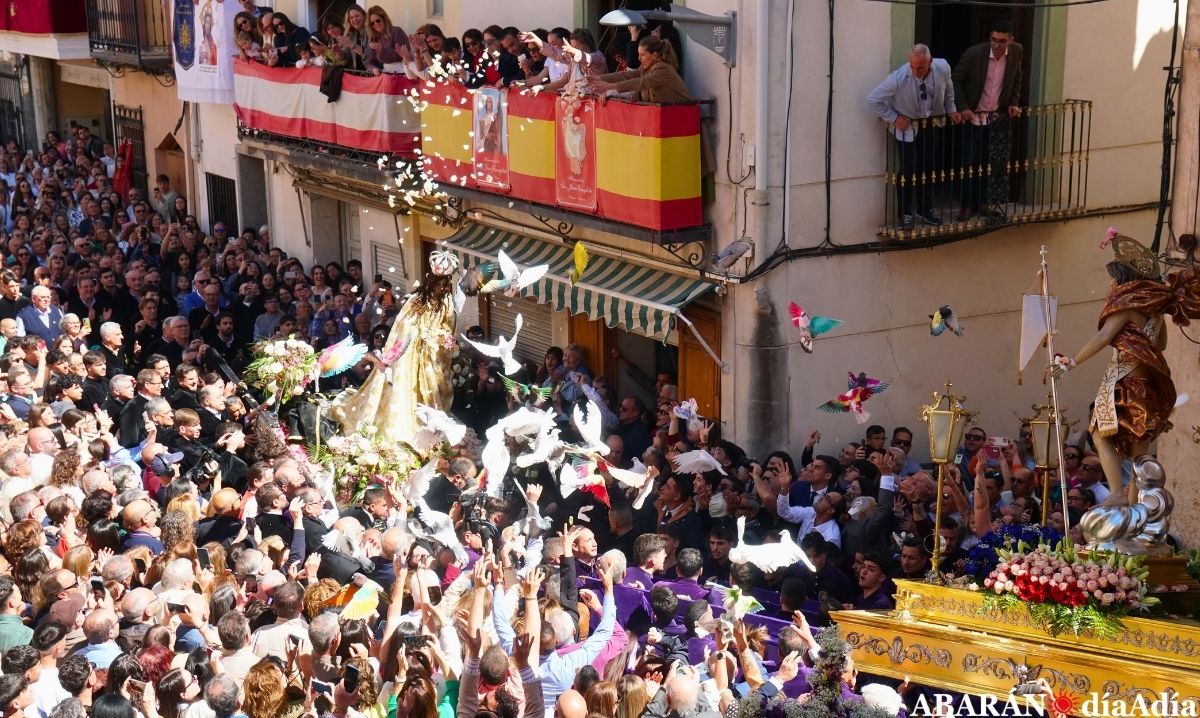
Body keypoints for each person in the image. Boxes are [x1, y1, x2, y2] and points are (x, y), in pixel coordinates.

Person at [1054, 230, 1200, 505]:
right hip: (1146, 386)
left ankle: (1117, 494)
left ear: (1122, 279)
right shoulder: (1156, 310)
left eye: (1112, 277)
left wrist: (1072, 361)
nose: (1109, 283)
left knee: (1099, 435)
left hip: (1124, 382)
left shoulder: (1126, 303)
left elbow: (1104, 336)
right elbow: (1161, 345)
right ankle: (1134, 506)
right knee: (1138, 450)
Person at [330, 251, 459, 444]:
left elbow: (448, 326)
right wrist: (424, 336)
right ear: (431, 281)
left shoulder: (447, 301)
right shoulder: (417, 300)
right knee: (404, 389)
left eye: (445, 283)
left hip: (431, 356)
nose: (442, 287)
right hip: (411, 354)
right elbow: (404, 327)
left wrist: (443, 338)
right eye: (439, 283)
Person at [867, 43, 960, 231]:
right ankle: (906, 214)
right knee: (908, 170)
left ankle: (925, 210)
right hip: (906, 128)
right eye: (913, 66)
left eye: (920, 67)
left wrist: (951, 109)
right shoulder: (899, 78)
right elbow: (873, 99)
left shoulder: (942, 67)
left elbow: (948, 87)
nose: (916, 71)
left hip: (931, 124)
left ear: (930, 62)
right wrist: (894, 118)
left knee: (927, 168)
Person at [952, 19, 1024, 222]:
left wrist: (1013, 102)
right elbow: (955, 79)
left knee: (987, 162)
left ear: (1011, 40)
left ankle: (982, 203)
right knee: (968, 162)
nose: (996, 45)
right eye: (993, 40)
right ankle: (966, 206)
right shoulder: (974, 54)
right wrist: (964, 107)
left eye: (1002, 41)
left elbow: (1018, 77)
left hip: (994, 117)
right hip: (972, 117)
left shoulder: (1017, 52)